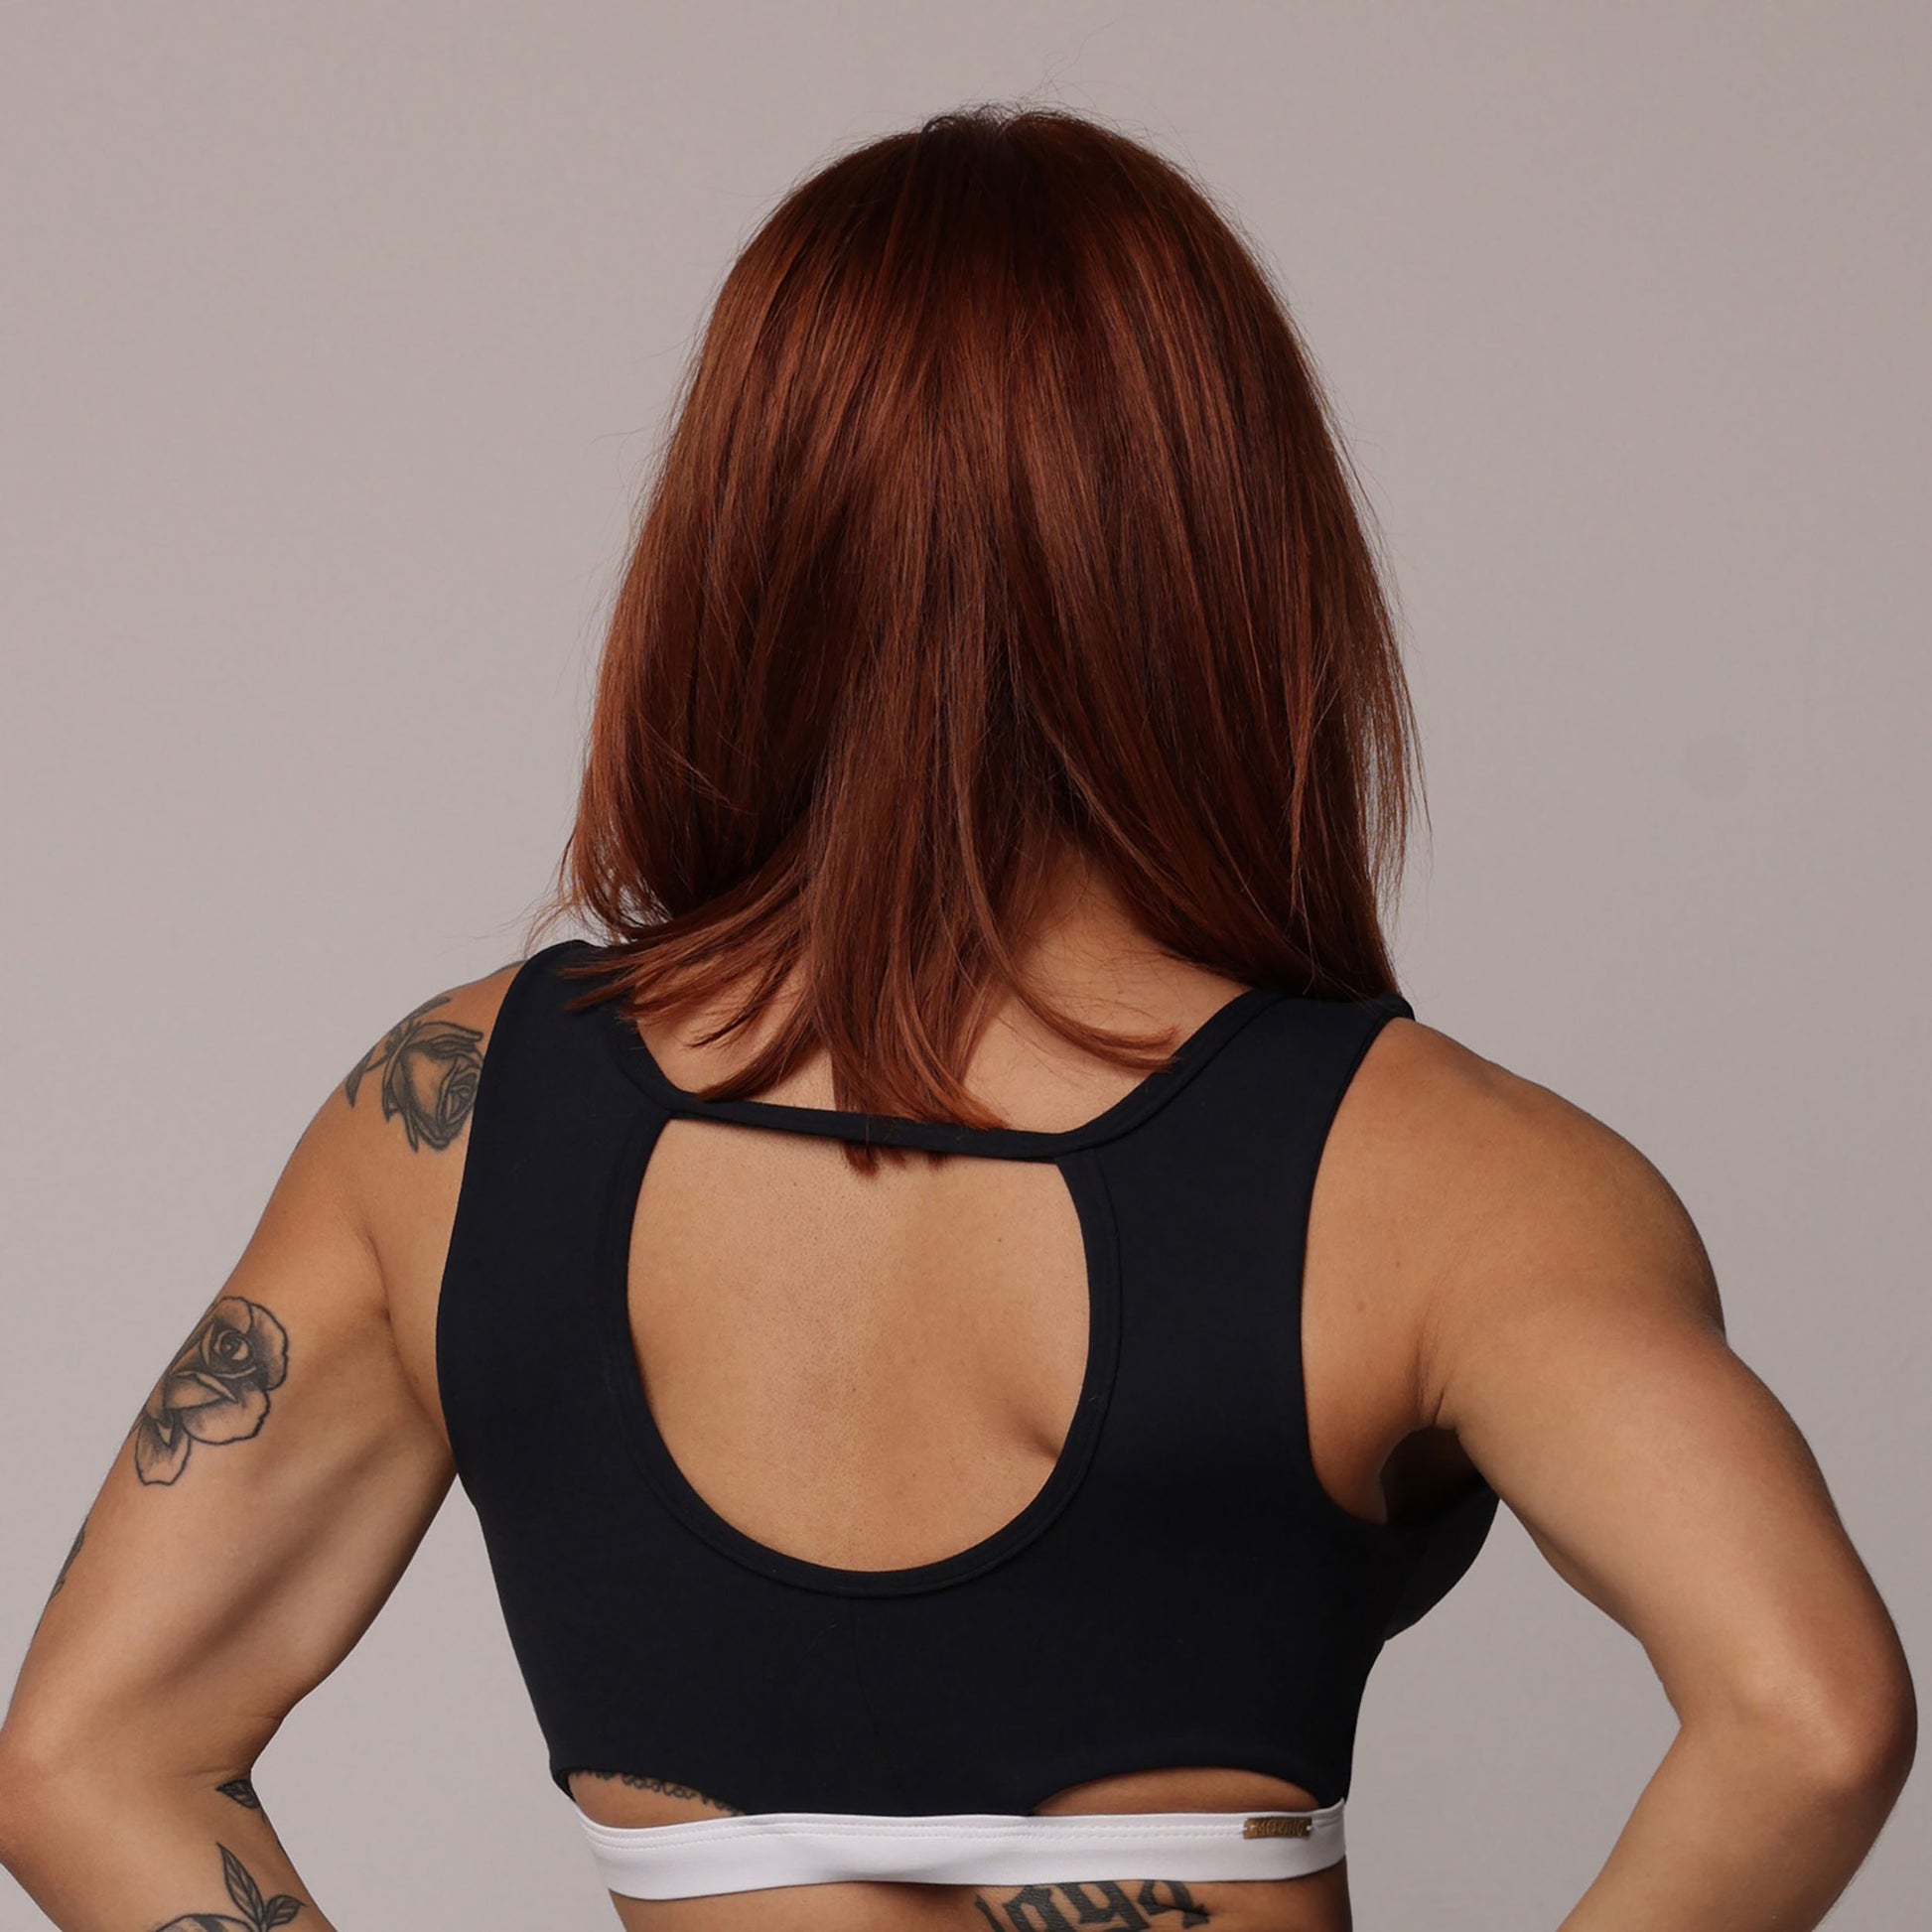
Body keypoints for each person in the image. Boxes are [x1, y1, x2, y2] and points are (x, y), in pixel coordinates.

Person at [0, 102, 1913, 1932]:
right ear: (1237, 562)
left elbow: (90, 1754)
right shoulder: (1449, 1178)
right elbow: (1806, 1714)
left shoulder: (454, 1117)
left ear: (738, 546)